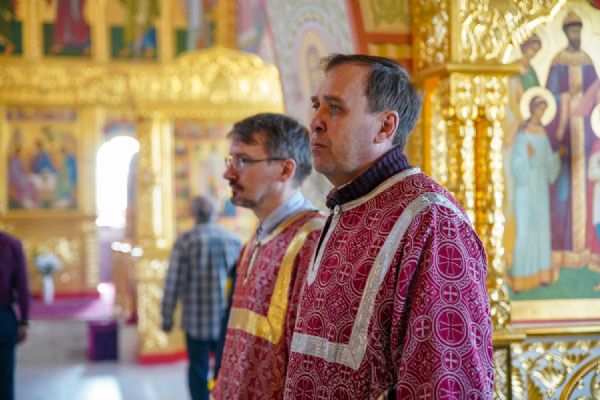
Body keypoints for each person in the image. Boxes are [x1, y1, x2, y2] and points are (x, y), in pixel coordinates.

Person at [285, 54, 493, 399]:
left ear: (385, 127)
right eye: (316, 106)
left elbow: (446, 381)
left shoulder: (431, 221)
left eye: (334, 108)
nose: (316, 122)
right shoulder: (346, 207)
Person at [213, 113, 325, 399]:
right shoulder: (256, 238)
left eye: (243, 160)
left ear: (285, 170)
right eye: (230, 160)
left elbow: (313, 362)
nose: (229, 173)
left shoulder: (314, 241)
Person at [161, 196, 242, 400]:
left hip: (195, 321)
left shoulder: (185, 241)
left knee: (198, 368)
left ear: (194, 214)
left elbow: (173, 283)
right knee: (225, 369)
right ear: (215, 213)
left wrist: (167, 317)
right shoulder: (232, 241)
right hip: (226, 321)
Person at [546, 10, 599, 258]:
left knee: (588, 187)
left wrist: (587, 98)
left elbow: (595, 94)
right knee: (563, 192)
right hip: (565, 132)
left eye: (578, 30)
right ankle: (565, 248)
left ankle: (588, 246)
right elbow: (549, 98)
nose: (575, 35)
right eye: (572, 31)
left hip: (587, 133)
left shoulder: (588, 59)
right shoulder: (558, 61)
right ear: (566, 34)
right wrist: (566, 98)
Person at [510, 96, 562, 292]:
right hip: (525, 185)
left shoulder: (543, 132)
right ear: (532, 109)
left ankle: (542, 274)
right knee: (525, 229)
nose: (541, 113)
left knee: (541, 226)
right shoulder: (523, 133)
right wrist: (527, 157)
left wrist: (557, 158)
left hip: (540, 185)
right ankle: (520, 278)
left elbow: (548, 160)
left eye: (544, 110)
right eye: (539, 109)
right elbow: (516, 162)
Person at [0, 230, 30, 400]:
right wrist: (24, 320)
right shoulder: (11, 244)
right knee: (4, 381)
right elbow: (22, 286)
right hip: (3, 319)